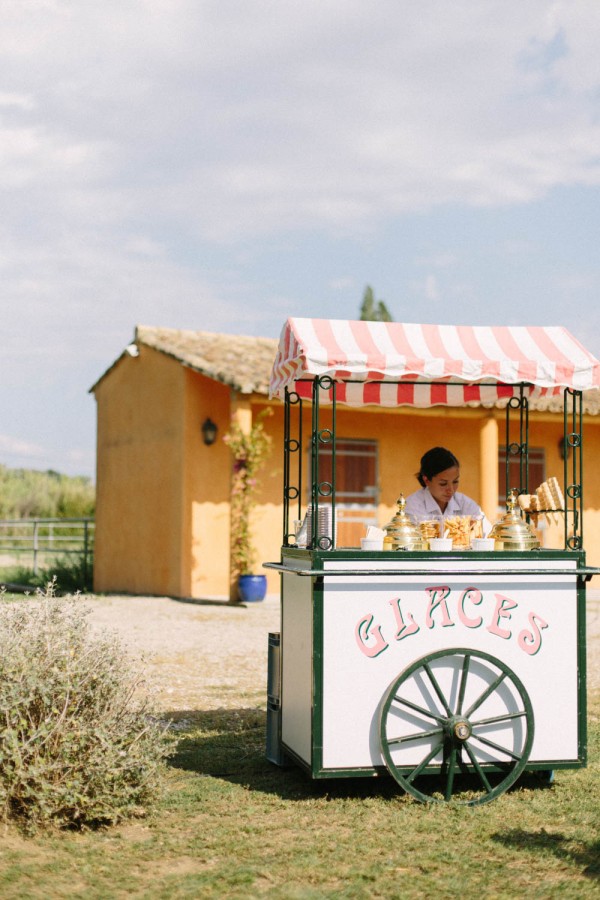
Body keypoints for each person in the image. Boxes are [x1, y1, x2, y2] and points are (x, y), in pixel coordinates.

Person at [405, 446, 492, 534]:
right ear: (426, 480)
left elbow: (488, 533)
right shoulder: (412, 507)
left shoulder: (464, 503)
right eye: (443, 484)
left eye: (455, 482)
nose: (451, 490)